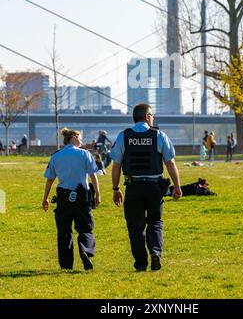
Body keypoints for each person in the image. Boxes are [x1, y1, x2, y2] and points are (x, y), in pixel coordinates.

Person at [110, 103, 182, 272]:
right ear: (148, 117)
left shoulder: (124, 136)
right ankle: (155, 252)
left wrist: (115, 189)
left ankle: (141, 263)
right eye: (152, 116)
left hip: (133, 186)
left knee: (135, 226)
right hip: (154, 187)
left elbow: (116, 165)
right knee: (155, 222)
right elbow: (170, 163)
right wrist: (177, 186)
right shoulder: (159, 135)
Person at [42, 127, 100, 271]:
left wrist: (45, 198)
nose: (82, 141)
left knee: (64, 232)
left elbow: (50, 179)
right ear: (73, 138)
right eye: (80, 138)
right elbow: (93, 175)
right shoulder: (85, 154)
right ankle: (85, 251)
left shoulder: (56, 156)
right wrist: (98, 194)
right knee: (85, 228)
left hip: (64, 198)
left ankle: (66, 265)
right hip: (82, 197)